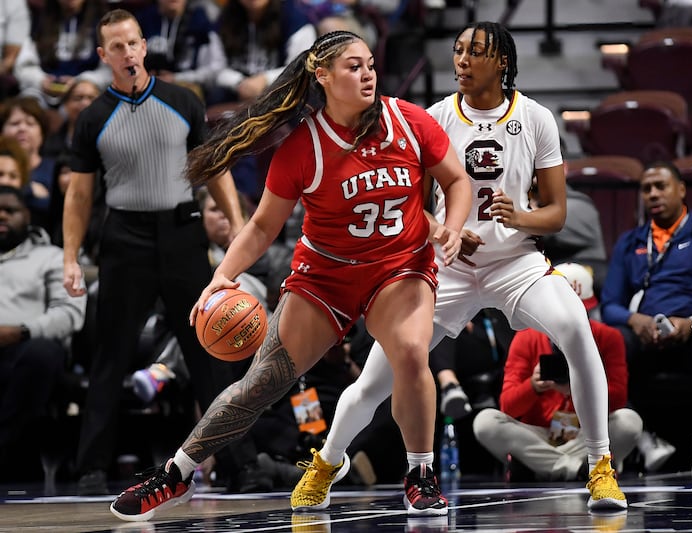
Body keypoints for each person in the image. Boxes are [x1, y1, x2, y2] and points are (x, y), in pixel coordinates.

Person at [108, 28, 471, 522]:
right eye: (353, 67)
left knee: (410, 352)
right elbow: (261, 227)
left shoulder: (408, 120)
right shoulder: (304, 146)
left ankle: (421, 474)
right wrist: (222, 277)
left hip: (398, 266)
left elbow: (455, 179)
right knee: (262, 383)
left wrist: (450, 227)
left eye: (370, 64)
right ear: (321, 76)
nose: (367, 75)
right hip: (325, 276)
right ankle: (176, 473)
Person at [291, 21, 628, 514]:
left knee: (578, 329)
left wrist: (521, 216)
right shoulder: (432, 117)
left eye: (475, 52)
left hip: (515, 262)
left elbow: (556, 213)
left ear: (503, 62)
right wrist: (443, 230)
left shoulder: (535, 118)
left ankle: (600, 467)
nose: (462, 60)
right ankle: (326, 464)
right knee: (373, 382)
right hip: (447, 266)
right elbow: (408, 200)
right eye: (457, 51)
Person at [62, 9, 275, 496]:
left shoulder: (182, 100)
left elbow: (215, 168)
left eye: (133, 42)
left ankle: (241, 463)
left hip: (182, 233)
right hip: (124, 238)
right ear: (104, 56)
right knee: (109, 355)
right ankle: (92, 466)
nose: (128, 53)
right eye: (117, 47)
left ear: (144, 44)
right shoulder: (93, 115)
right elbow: (78, 195)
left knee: (209, 353)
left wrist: (239, 230)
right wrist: (71, 257)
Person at [600, 161, 692, 474]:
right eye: (646, 189)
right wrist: (634, 321)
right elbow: (610, 303)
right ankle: (640, 437)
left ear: (681, 190)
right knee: (609, 337)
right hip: (648, 336)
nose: (653, 194)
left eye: (661, 186)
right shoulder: (630, 242)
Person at [472, 262, 643, 481]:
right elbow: (508, 406)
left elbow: (619, 399)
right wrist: (532, 387)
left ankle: (539, 467)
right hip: (538, 434)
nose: (569, 319)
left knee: (629, 421)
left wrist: (578, 386)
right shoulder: (526, 338)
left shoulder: (608, 337)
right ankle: (579, 469)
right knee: (485, 421)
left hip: (588, 436)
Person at [0, 185, 87, 478]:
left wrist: (21, 332)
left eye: (9, 210)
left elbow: (70, 313)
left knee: (44, 353)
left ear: (26, 215)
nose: (1, 216)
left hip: (24, 350)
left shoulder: (52, 257)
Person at [214, 0, 317, 104]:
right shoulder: (225, 18)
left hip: (281, 98)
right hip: (233, 97)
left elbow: (303, 69)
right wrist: (239, 82)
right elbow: (214, 67)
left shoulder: (295, 18)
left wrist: (265, 79)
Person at [14, 0, 111, 107]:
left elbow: (110, 70)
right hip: (44, 92)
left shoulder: (103, 24)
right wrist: (41, 80)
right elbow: (24, 66)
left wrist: (81, 80)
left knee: (85, 97)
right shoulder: (39, 21)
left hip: (86, 89)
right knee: (27, 106)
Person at [134, 0, 227, 103]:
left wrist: (176, 78)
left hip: (187, 87)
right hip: (146, 85)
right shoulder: (142, 20)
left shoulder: (201, 20)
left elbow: (216, 68)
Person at [0, 96, 57, 228]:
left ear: (42, 134)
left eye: (30, 123)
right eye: (15, 123)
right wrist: (31, 190)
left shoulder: (55, 170)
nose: (22, 129)